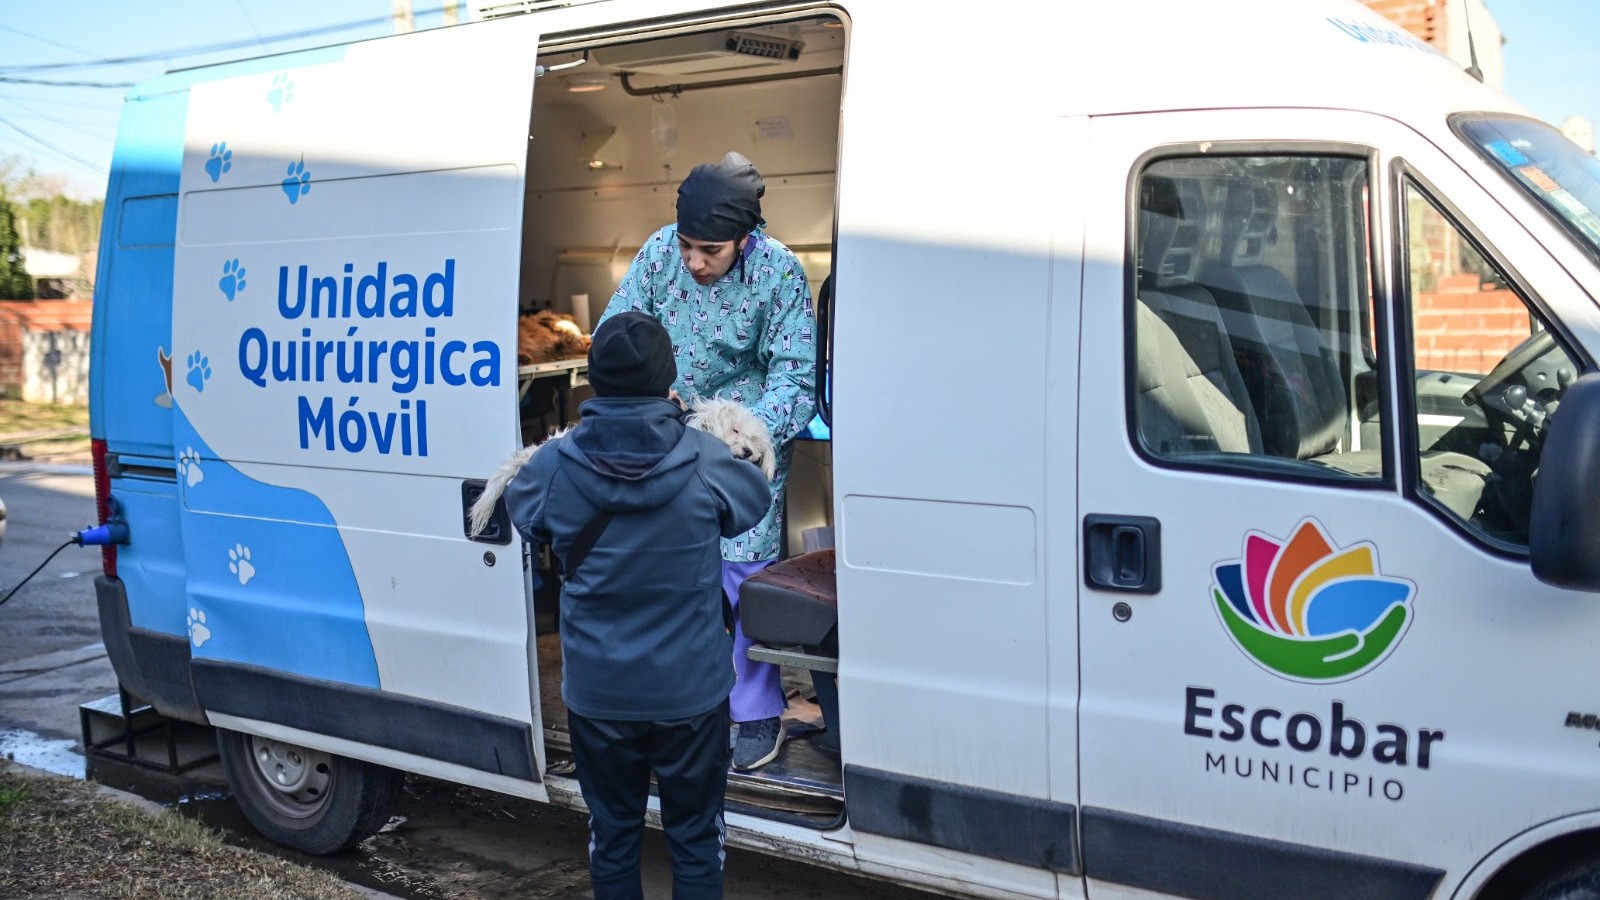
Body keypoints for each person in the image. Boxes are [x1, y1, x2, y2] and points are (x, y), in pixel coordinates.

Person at [502, 312, 771, 900]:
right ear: (667, 378)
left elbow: (523, 516)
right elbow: (753, 504)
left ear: (594, 378)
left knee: (614, 839)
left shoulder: (553, 465)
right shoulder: (706, 460)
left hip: (600, 694)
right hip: (691, 694)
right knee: (696, 842)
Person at [596, 151, 819, 771]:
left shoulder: (780, 272)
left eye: (710, 251)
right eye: (688, 246)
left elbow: (796, 375)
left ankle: (756, 710)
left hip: (745, 445)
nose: (694, 261)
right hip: (666, 435)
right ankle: (686, 706)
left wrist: (747, 435)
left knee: (743, 577)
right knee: (676, 574)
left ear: (745, 240)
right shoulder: (658, 252)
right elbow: (616, 330)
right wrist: (644, 391)